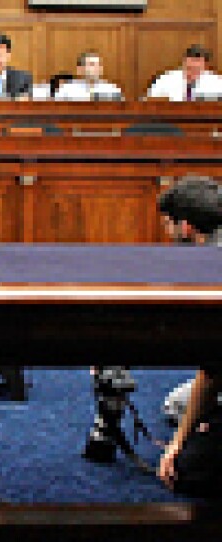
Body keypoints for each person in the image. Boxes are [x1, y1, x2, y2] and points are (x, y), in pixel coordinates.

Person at [156, 176, 222, 498]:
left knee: (175, 409)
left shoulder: (209, 274)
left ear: (185, 227)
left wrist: (178, 442)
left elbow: (212, 373)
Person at [146, 45, 222, 102]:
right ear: (184, 63)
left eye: (197, 69)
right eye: (189, 68)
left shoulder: (217, 82)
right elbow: (149, 101)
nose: (192, 72)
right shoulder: (166, 79)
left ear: (205, 67)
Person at [56, 51, 123, 101]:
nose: (97, 68)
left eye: (99, 65)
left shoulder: (112, 90)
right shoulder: (66, 90)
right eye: (92, 64)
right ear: (80, 69)